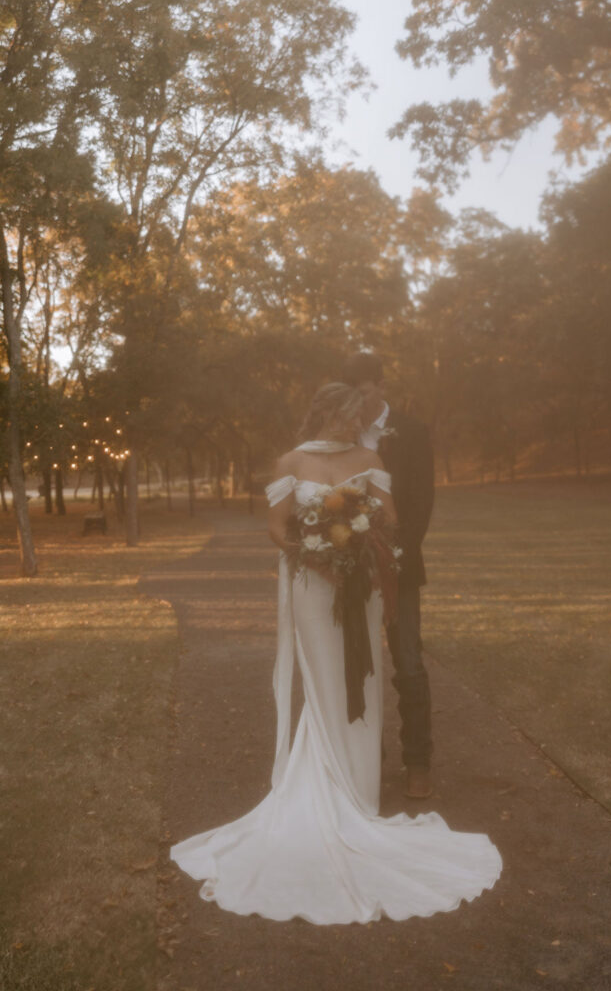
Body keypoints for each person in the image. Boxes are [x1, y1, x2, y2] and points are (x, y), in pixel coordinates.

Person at [169, 383, 501, 924]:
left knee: (362, 678)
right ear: (325, 413)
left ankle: (358, 792)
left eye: (359, 416)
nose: (357, 424)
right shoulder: (291, 460)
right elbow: (277, 529)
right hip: (311, 582)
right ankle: (323, 782)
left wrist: (361, 543)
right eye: (350, 415)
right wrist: (315, 550)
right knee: (324, 679)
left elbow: (390, 521)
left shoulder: (370, 459)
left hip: (361, 585)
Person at [344, 352, 434, 798]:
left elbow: (420, 503)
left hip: (400, 563)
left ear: (380, 386)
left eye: (363, 393)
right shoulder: (341, 436)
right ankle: (368, 760)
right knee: (360, 664)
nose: (358, 404)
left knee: (408, 663)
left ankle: (418, 762)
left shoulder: (413, 431)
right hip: (349, 568)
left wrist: (393, 555)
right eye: (351, 396)